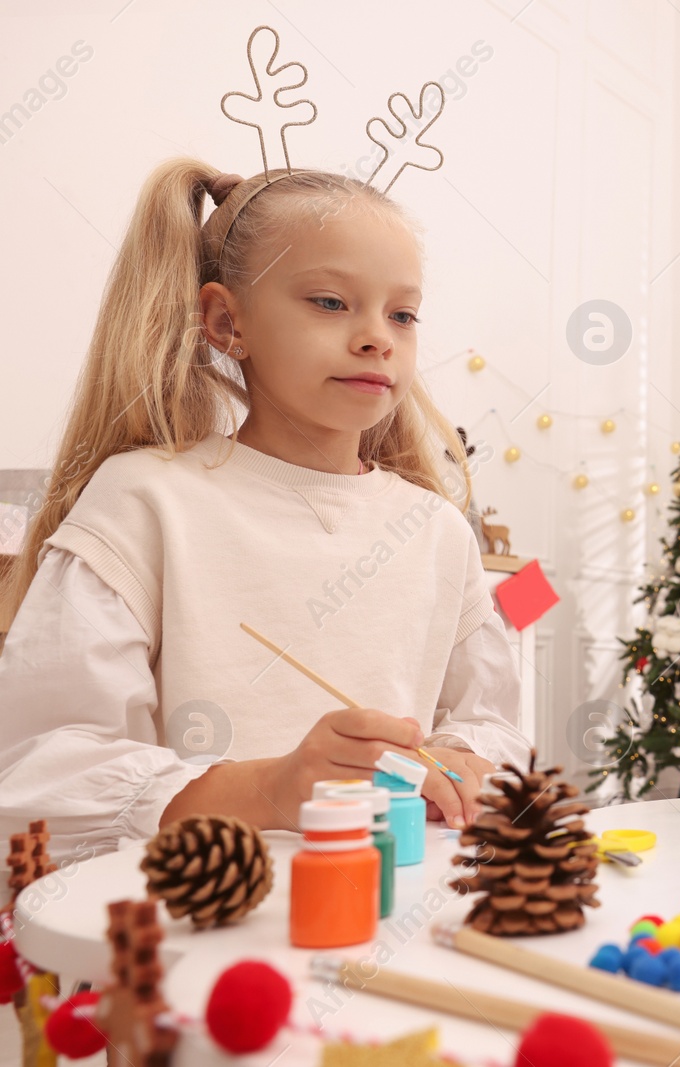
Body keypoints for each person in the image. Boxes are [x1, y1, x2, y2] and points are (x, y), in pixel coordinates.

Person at [0, 160, 528, 856]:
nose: (378, 336)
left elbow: (493, 727)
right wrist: (270, 789)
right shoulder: (145, 501)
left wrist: (464, 759)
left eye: (402, 313)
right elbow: (41, 770)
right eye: (331, 302)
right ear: (225, 320)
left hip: (388, 921)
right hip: (192, 937)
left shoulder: (434, 531)